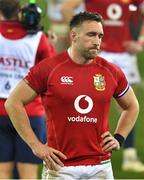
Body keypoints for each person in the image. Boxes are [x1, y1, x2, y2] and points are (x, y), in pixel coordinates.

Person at [5, 11, 139, 179]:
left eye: (100, 36)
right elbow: (13, 102)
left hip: (101, 166)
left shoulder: (111, 71)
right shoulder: (49, 68)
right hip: (61, 167)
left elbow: (132, 106)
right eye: (91, 35)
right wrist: (36, 146)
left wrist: (119, 138)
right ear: (73, 36)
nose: (97, 41)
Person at [61, 0, 144, 172]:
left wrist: (141, 41)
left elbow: (140, 13)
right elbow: (66, 8)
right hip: (102, 53)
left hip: (118, 54)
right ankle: (82, 152)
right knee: (87, 104)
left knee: (124, 106)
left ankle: (126, 155)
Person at [0, 0, 56, 179]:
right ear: (19, 11)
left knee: (2, 172)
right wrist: (50, 42)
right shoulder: (39, 37)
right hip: (30, 112)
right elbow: (51, 71)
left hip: (0, 112)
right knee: (28, 174)